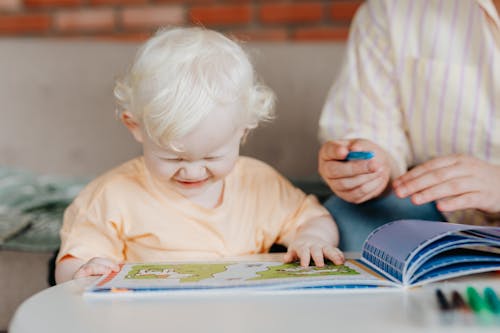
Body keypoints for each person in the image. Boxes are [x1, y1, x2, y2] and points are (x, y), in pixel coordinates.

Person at [55, 27, 344, 284]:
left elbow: (312, 219)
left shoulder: (260, 184)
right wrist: (84, 272)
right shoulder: (112, 196)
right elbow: (72, 264)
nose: (193, 172)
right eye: (174, 159)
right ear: (135, 126)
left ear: (242, 131)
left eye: (212, 157)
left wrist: (312, 239)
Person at [318, 0, 500, 251]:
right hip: (434, 216)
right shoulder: (390, 10)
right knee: (344, 218)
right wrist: (372, 168)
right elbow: (371, 131)